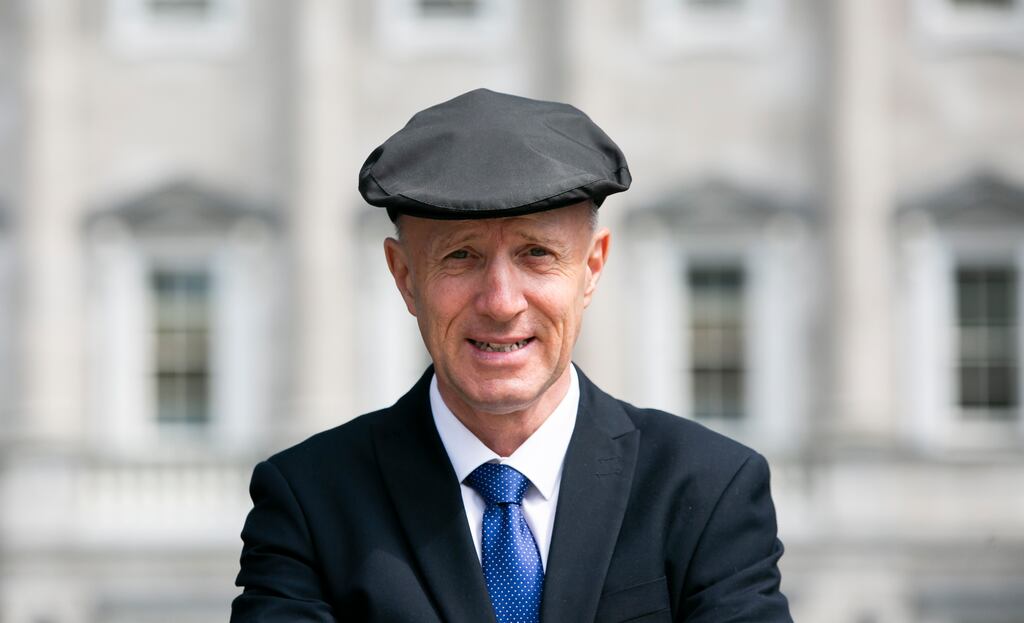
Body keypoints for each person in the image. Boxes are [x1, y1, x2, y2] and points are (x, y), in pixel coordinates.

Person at [231, 88, 792, 622]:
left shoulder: (707, 489)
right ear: (404, 277)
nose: (501, 303)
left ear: (591, 268)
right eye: (461, 256)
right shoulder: (309, 503)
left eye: (536, 254)